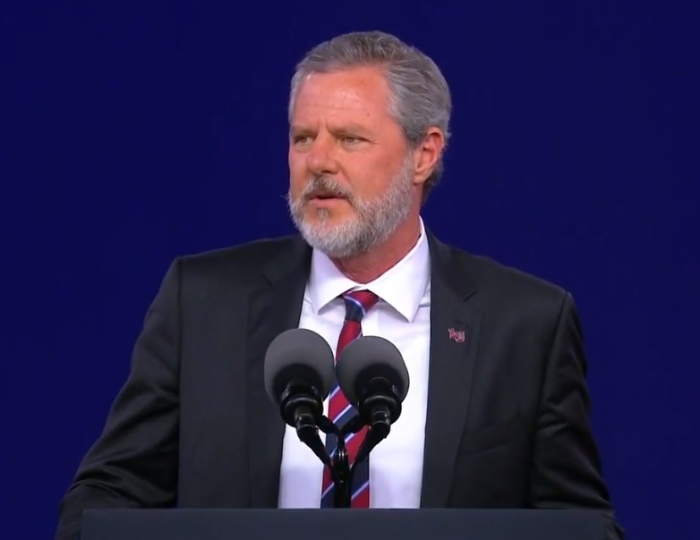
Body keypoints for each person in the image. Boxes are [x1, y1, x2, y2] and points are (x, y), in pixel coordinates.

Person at [56, 30, 624, 539]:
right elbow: (106, 498)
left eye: (350, 139)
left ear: (424, 154)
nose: (318, 161)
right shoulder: (203, 302)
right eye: (304, 138)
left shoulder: (525, 324)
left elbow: (577, 522)